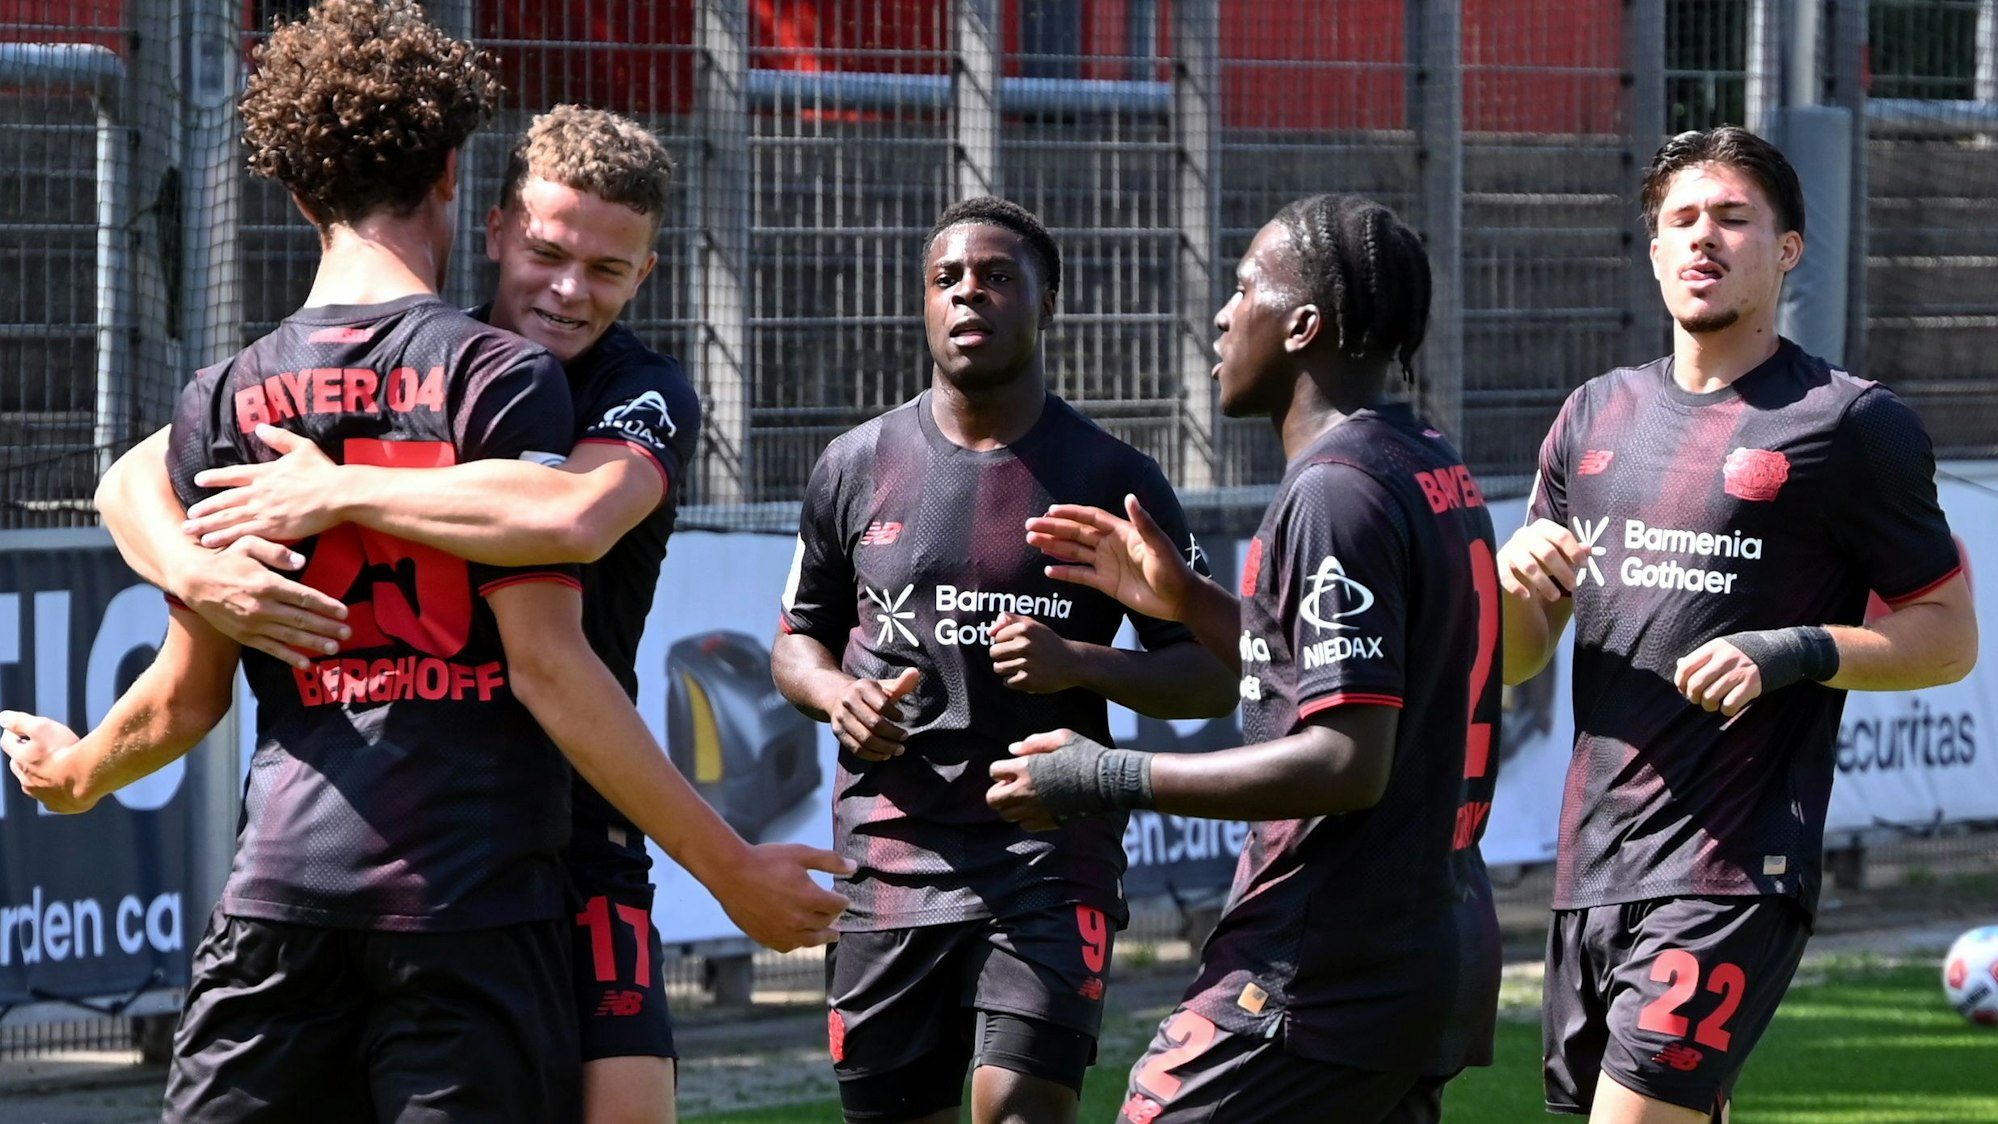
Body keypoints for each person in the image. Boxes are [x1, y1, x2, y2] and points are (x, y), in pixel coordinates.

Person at [2, 5, 843, 1120]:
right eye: (548, 251)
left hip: (581, 833)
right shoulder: (461, 366)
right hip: (437, 877)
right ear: (484, 217)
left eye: (609, 270)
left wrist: (338, 487)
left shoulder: (627, 389)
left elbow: (579, 514)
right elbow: (127, 481)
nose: (570, 289)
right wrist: (203, 576)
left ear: (646, 275)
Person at [1496, 126, 1978, 1124]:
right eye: (1680, 220)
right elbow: (1516, 656)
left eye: (1732, 218)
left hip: (1732, 866)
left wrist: (1793, 650)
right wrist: (1512, 584)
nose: (1702, 239)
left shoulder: (1847, 423)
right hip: (1593, 863)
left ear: (1789, 246)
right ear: (1654, 246)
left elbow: (1948, 632)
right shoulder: (1593, 415)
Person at [987, 193, 1503, 1123]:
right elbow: (1341, 676)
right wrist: (1190, 604)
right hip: (1423, 944)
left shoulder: (1337, 491)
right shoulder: (1425, 458)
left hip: (1323, 961)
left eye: (1243, 289)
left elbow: (1346, 762)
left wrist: (1101, 774)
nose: (1224, 314)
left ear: (1304, 325)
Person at [771, 196, 1238, 1124]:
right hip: (890, 852)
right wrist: (838, 697)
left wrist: (1081, 662)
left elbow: (1214, 675)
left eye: (996, 278)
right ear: (923, 304)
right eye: (947, 280)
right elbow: (796, 641)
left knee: (1020, 1107)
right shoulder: (855, 465)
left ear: (1047, 303)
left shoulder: (1113, 480)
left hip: (1049, 850)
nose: (968, 296)